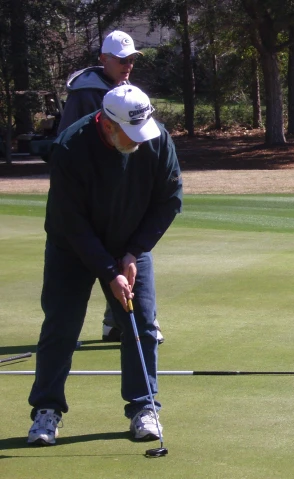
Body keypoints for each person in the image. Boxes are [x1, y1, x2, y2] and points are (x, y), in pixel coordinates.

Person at [27, 85, 182, 446]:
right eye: (131, 133)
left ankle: (144, 407)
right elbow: (72, 221)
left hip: (129, 245)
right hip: (72, 247)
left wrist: (133, 253)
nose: (139, 141)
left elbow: (169, 201)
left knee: (141, 324)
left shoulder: (156, 140)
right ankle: (46, 411)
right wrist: (108, 271)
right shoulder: (70, 146)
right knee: (61, 325)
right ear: (108, 125)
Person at [57, 30, 164, 344]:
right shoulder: (84, 94)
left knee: (130, 255)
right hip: (91, 196)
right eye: (121, 59)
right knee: (94, 257)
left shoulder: (128, 91)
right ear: (103, 59)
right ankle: (70, 328)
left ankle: (117, 323)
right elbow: (67, 144)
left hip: (126, 193)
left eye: (131, 59)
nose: (127, 64)